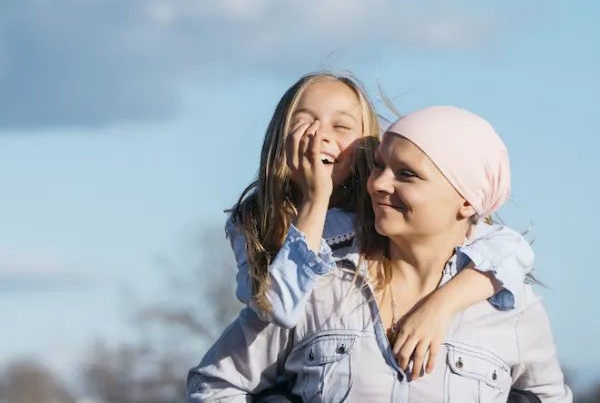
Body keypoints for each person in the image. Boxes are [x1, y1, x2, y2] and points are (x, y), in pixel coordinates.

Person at [189, 105, 571, 402]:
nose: (379, 184)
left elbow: (548, 397)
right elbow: (216, 383)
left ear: (467, 200)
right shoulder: (319, 282)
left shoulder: (513, 308)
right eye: (378, 166)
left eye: (407, 174)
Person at [226, 72, 533, 373]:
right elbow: (279, 308)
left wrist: (441, 305)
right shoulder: (253, 220)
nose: (319, 135)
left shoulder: (381, 211)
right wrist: (315, 199)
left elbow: (512, 251)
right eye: (303, 120)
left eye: (341, 125)